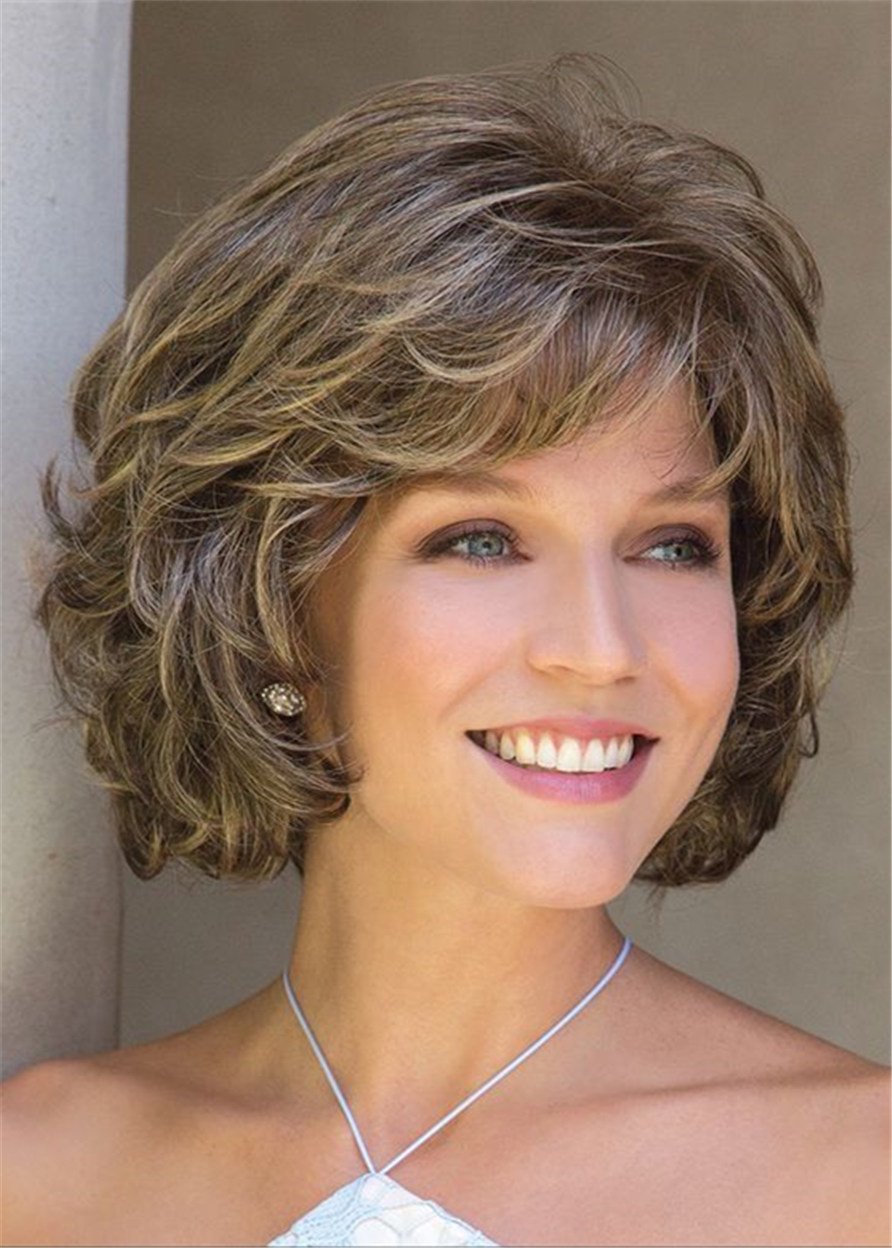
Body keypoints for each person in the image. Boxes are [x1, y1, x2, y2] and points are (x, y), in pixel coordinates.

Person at [2, 55, 888, 1247]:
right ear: (267, 599)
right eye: (481, 540)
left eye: (673, 547)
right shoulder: (41, 1178)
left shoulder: (860, 1182)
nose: (599, 648)